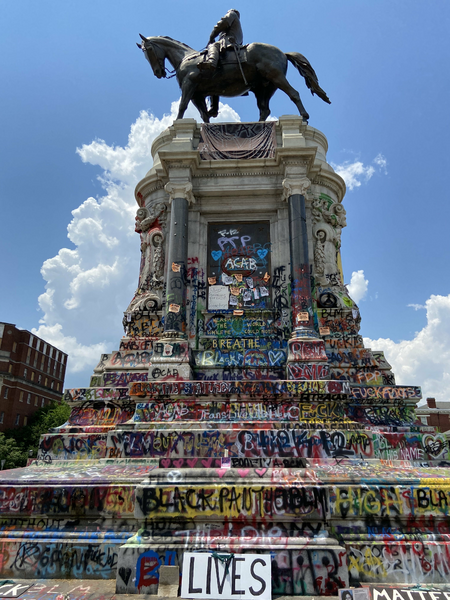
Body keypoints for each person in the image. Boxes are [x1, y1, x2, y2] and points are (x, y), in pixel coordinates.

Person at [198, 9, 243, 74]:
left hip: (228, 42)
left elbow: (223, 23)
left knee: (214, 45)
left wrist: (212, 36)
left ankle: (212, 62)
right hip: (234, 44)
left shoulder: (232, 14)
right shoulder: (238, 28)